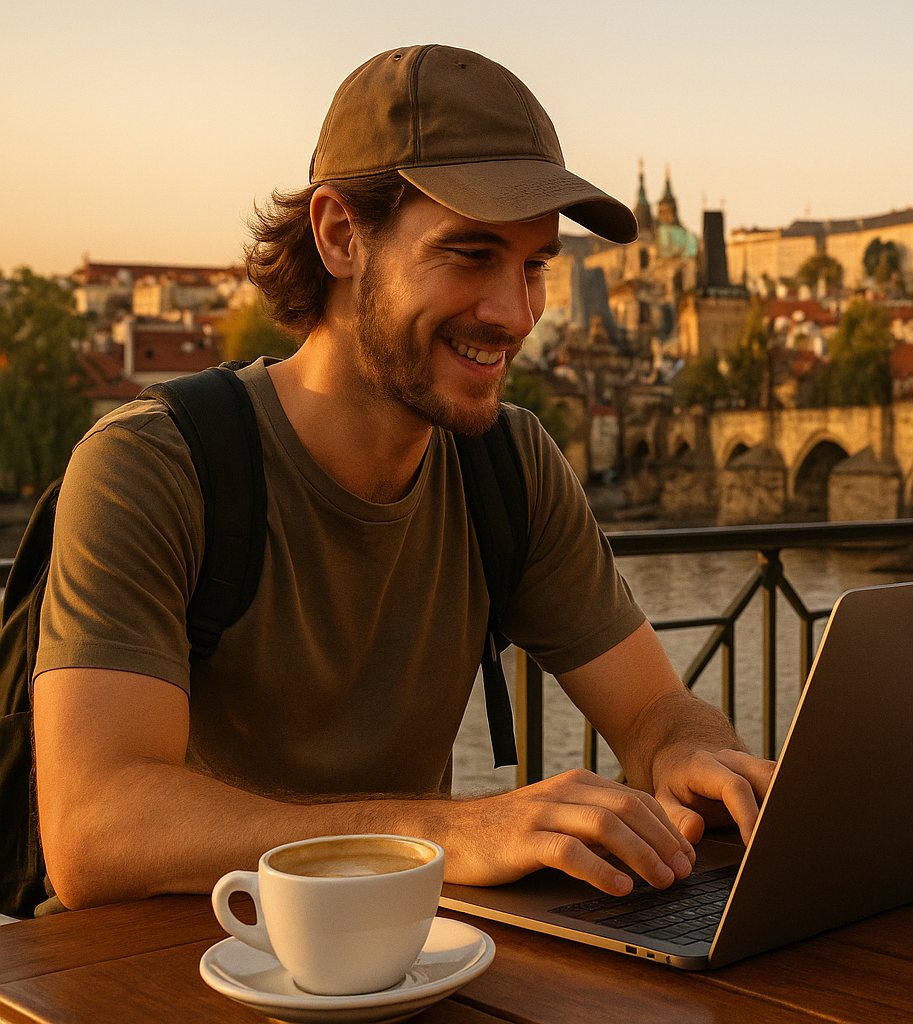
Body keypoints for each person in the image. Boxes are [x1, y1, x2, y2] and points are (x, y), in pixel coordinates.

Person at [29, 44, 773, 916]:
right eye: (470, 255)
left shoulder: (512, 465)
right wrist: (449, 831)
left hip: (403, 964)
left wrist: (697, 752)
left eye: (535, 265)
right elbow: (93, 830)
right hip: (172, 971)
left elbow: (654, 712)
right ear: (341, 235)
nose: (515, 313)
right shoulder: (154, 466)